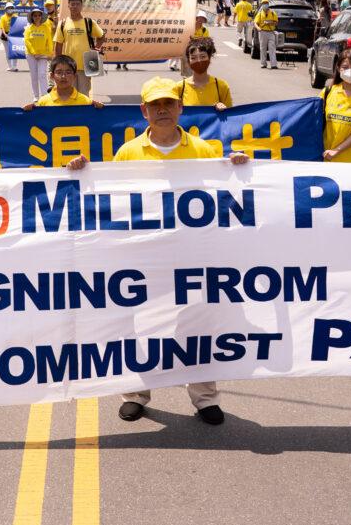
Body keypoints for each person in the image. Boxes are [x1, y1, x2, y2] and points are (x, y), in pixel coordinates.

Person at [65, 76, 249, 425]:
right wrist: (81, 172)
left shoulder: (203, 150)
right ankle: (135, 393)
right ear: (144, 111)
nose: (162, 111)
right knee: (138, 324)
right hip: (143, 257)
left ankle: (205, 398)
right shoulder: (128, 152)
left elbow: (226, 193)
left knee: (197, 326)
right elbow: (112, 202)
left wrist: (239, 167)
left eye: (169, 104)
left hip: (193, 256)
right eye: (155, 105)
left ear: (180, 108)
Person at [53, 0, 104, 95]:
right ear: (68, 6)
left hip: (86, 65)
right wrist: (57, 64)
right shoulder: (63, 23)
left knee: (84, 94)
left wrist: (97, 48)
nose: (75, 6)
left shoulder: (89, 22)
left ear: (81, 6)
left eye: (77, 4)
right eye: (72, 4)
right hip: (68, 67)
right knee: (69, 94)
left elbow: (101, 36)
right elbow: (58, 45)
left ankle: (83, 111)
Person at [21, 55, 104, 110]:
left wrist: (99, 109)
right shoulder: (43, 102)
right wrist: (29, 111)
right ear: (52, 76)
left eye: (68, 72)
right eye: (59, 72)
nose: (63, 76)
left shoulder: (85, 101)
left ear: (74, 76)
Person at [179, 38, 232, 110]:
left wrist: (223, 109)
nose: (198, 60)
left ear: (209, 58)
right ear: (188, 61)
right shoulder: (179, 88)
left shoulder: (221, 86)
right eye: (193, 58)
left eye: (203, 56)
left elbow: (230, 116)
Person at [23, 7, 54, 99]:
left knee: (42, 74)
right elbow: (27, 41)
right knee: (34, 75)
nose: (37, 17)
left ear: (41, 16)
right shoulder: (29, 28)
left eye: (39, 15)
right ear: (32, 17)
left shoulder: (46, 28)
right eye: (35, 16)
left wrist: (50, 53)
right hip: (31, 55)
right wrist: (33, 53)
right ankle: (36, 95)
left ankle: (44, 95)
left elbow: (49, 41)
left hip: (43, 55)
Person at [253, 0, 279, 70]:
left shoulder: (273, 13)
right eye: (263, 3)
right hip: (262, 32)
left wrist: (270, 22)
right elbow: (255, 23)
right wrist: (258, 28)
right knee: (263, 48)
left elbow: (276, 22)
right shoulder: (260, 14)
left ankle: (273, 64)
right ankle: (263, 64)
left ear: (268, 4)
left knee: (272, 48)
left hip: (271, 32)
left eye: (266, 3)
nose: (265, 5)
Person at [0, 3, 19, 72]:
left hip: (13, 35)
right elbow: (2, 28)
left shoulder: (15, 16)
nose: (10, 9)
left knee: (14, 51)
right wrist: (5, 35)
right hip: (5, 36)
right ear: (6, 9)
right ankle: (10, 66)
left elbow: (18, 26)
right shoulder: (3, 17)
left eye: (11, 8)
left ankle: (15, 66)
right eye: (8, 8)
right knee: (8, 52)